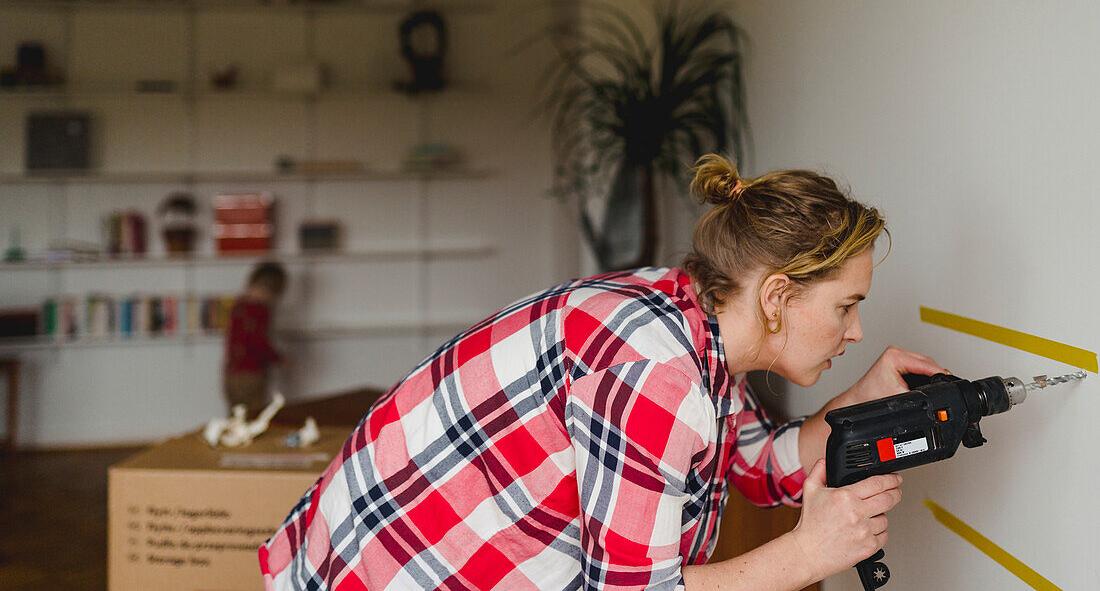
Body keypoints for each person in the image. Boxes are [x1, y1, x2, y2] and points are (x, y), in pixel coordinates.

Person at [260, 155, 946, 590]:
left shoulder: (690, 313)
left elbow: (758, 463)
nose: (856, 331)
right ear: (777, 297)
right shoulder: (656, 370)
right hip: (395, 571)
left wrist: (864, 400)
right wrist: (805, 555)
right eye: (847, 305)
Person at [223, 261, 287, 417]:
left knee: (236, 416)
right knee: (254, 415)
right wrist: (279, 359)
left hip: (231, 372)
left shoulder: (238, 305)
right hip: (250, 373)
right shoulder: (258, 310)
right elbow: (258, 342)